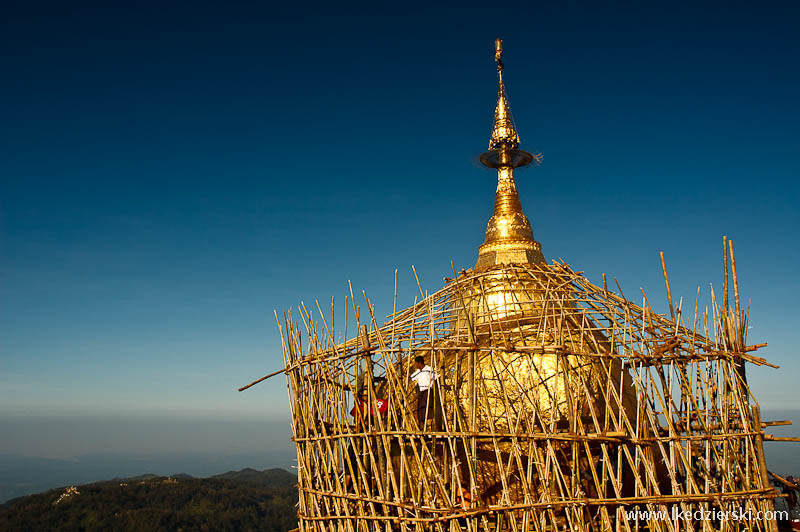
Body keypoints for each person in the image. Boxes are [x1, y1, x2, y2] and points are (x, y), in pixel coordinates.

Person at [409, 355, 436, 428]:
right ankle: (422, 427)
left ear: (419, 363)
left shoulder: (429, 369)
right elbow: (412, 378)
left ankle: (431, 426)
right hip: (421, 392)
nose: (415, 365)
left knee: (429, 408)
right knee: (421, 410)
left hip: (428, 390)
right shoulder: (418, 372)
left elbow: (436, 376)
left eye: (416, 363)